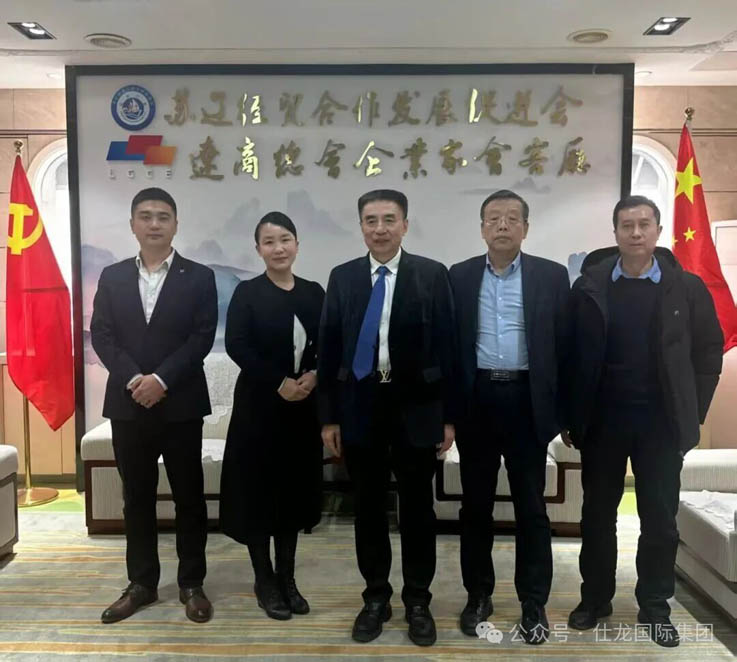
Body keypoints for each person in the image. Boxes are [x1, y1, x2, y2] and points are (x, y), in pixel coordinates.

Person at [563, 195, 723, 648]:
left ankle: (655, 605)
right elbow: (570, 352)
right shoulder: (590, 287)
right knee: (597, 517)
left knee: (660, 521)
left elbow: (708, 351)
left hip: (661, 425)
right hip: (603, 423)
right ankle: (595, 599)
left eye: (644, 224)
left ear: (658, 231)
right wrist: (572, 415)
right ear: (614, 232)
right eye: (626, 225)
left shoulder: (686, 287)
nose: (635, 233)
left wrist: (692, 411)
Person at [318, 189, 455, 647]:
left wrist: (448, 417)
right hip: (360, 408)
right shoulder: (343, 277)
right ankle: (376, 597)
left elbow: (448, 348)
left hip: (417, 406)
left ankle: (418, 600)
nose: (380, 229)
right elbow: (330, 348)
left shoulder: (431, 274)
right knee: (368, 509)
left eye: (389, 220)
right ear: (361, 226)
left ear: (405, 225)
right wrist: (329, 418)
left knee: (417, 510)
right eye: (371, 220)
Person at [90, 187, 217, 624]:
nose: (154, 223)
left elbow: (201, 337)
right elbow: (102, 335)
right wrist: (134, 380)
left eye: (163, 216)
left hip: (180, 404)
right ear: (133, 225)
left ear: (176, 224)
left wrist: (161, 380)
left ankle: (192, 583)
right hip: (128, 406)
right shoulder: (112, 276)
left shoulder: (199, 277)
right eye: (145, 216)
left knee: (189, 497)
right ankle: (142, 583)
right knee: (137, 497)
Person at [448, 189, 569, 644]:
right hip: (477, 400)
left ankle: (533, 603)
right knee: (475, 506)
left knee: (531, 508)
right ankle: (478, 595)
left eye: (512, 218)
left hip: (527, 400)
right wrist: (447, 413)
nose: (503, 225)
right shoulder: (459, 276)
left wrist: (564, 413)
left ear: (526, 228)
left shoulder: (551, 276)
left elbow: (566, 346)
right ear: (482, 227)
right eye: (494, 218)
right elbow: (448, 347)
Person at [219, 212, 324, 620]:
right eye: (269, 242)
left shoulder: (314, 292)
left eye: (285, 240)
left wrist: (314, 375)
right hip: (259, 408)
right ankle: (264, 579)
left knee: (293, 494)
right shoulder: (248, 293)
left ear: (297, 244)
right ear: (258, 249)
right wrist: (279, 382)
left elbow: (330, 341)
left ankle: (288, 578)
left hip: (302, 409)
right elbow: (237, 345)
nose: (278, 248)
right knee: (259, 495)